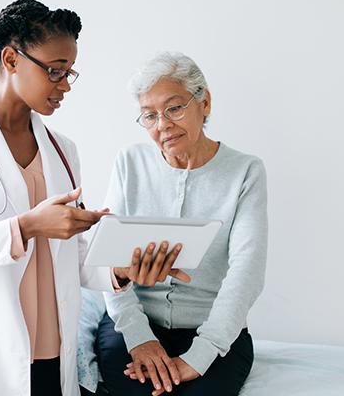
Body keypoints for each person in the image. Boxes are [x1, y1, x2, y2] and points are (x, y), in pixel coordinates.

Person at [0, 0, 188, 396]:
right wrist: (26, 226)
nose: (65, 84)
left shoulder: (64, 151)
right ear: (11, 58)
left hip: (50, 354)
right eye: (55, 70)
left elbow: (70, 260)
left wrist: (122, 271)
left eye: (70, 72)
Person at [83, 52, 268, 396]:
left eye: (174, 108)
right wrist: (139, 339)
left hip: (213, 331)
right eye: (149, 115)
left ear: (205, 102)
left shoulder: (245, 171)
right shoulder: (129, 162)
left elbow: (248, 271)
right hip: (133, 324)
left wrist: (201, 354)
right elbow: (107, 262)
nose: (162, 124)